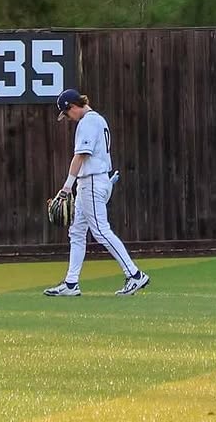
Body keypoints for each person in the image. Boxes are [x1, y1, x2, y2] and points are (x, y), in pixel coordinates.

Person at [44, 88, 150, 298]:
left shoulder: (88, 122)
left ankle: (135, 274)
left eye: (67, 113)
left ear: (72, 107)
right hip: (94, 181)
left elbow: (81, 156)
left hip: (92, 182)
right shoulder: (98, 120)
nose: (68, 118)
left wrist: (66, 188)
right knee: (77, 232)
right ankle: (71, 283)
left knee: (101, 231)